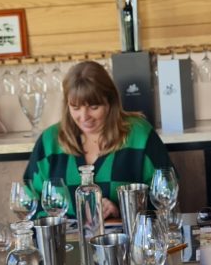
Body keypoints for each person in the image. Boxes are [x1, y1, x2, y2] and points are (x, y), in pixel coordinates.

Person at [23, 60, 173, 219]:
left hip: (128, 240)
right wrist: (65, 219)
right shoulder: (49, 141)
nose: (84, 116)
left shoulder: (139, 135)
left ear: (110, 102)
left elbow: (167, 194)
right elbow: (29, 202)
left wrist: (120, 211)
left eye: (94, 107)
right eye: (76, 108)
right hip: (65, 242)